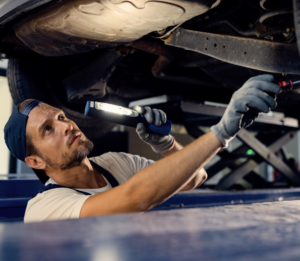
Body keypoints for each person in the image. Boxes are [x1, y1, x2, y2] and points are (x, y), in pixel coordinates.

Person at [4, 74, 281, 223]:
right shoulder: (43, 209)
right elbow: (137, 197)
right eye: (48, 130)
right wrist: (221, 133)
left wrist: (166, 145)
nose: (66, 125)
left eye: (61, 117)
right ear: (36, 161)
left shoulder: (115, 162)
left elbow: (195, 179)